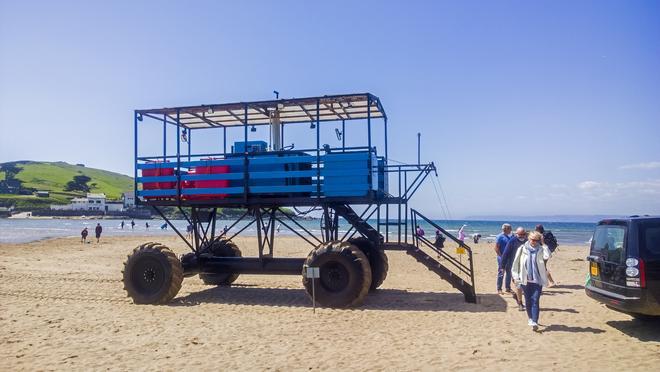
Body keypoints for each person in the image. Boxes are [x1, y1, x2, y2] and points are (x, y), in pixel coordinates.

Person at [511, 230, 551, 331]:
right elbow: (515, 265)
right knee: (528, 301)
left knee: (535, 300)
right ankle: (530, 319)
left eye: (536, 240)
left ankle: (535, 321)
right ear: (528, 239)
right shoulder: (522, 249)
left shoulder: (541, 249)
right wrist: (516, 278)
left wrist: (543, 243)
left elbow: (548, 256)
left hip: (537, 280)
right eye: (532, 239)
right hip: (525, 279)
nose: (534, 242)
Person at [502, 227, 527, 311]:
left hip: (525, 267)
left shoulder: (528, 241)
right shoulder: (512, 241)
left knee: (524, 286)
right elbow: (505, 254)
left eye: (523, 234)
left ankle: (517, 296)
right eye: (520, 234)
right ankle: (520, 303)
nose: (522, 236)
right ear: (516, 234)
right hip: (513, 267)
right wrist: (502, 266)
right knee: (518, 285)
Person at [494, 223, 513, 294]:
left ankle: (508, 288)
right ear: (505, 229)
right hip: (501, 258)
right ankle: (499, 288)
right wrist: (501, 257)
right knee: (501, 272)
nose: (511, 229)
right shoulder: (500, 237)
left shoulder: (511, 236)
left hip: (509, 258)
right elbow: (496, 248)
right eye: (510, 228)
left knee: (509, 273)